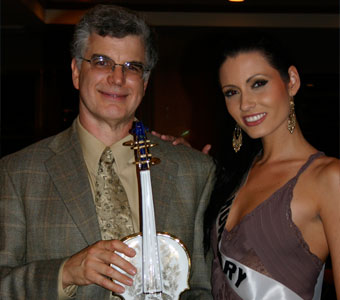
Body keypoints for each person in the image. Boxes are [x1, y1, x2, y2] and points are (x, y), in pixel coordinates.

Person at [0, 5, 215, 300]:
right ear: (76, 72)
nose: (117, 78)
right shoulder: (17, 173)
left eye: (132, 67)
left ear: (145, 82)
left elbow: (204, 288)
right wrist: (64, 273)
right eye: (102, 62)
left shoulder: (194, 172)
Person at [202, 35, 340, 299]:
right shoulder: (234, 175)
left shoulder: (329, 178)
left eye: (258, 84)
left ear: (292, 81)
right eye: (232, 92)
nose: (245, 104)